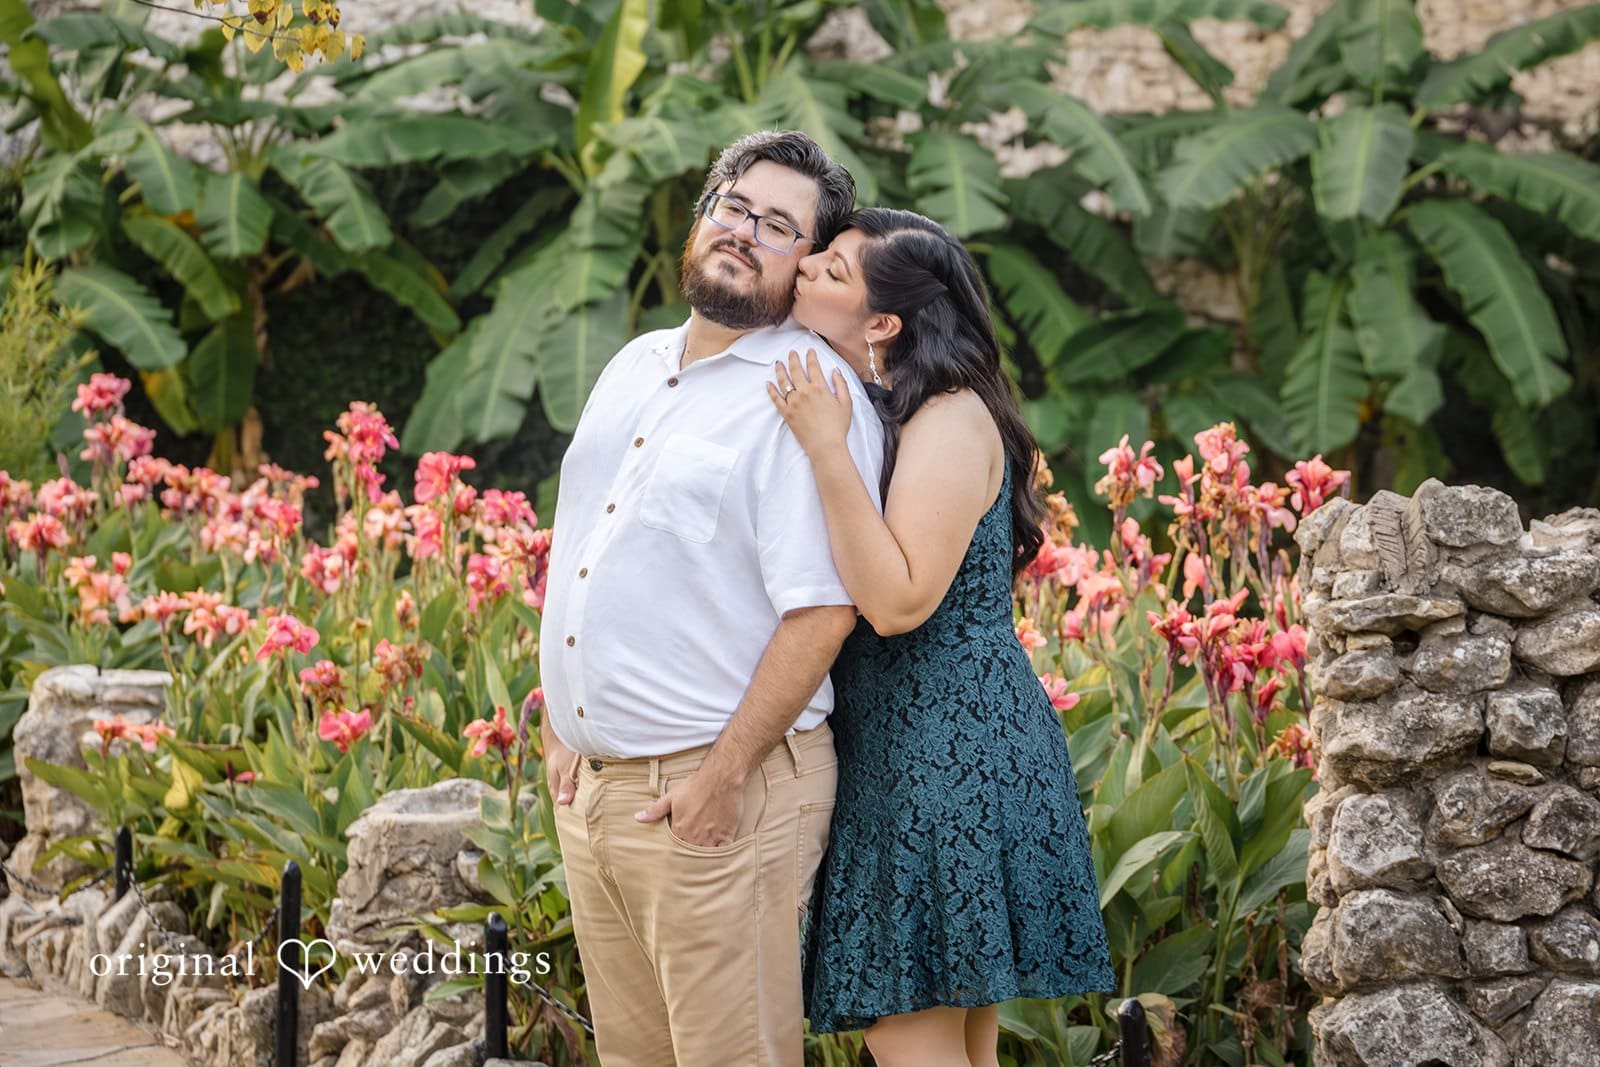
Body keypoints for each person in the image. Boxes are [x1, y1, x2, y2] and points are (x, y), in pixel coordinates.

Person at [537, 131, 885, 1067]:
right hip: (601, 797)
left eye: (779, 226)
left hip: (718, 798)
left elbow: (823, 610)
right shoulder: (635, 363)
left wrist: (722, 777)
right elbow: (586, 539)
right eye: (734, 206)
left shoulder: (807, 394)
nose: (744, 231)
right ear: (702, 217)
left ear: (806, 263)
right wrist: (560, 718)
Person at [767, 208, 1115, 1067]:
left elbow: (898, 601)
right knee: (962, 1046)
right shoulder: (911, 407)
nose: (807, 268)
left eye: (835, 271)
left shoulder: (950, 418)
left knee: (908, 1034)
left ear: (884, 322)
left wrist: (822, 448)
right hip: (926, 748)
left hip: (943, 760)